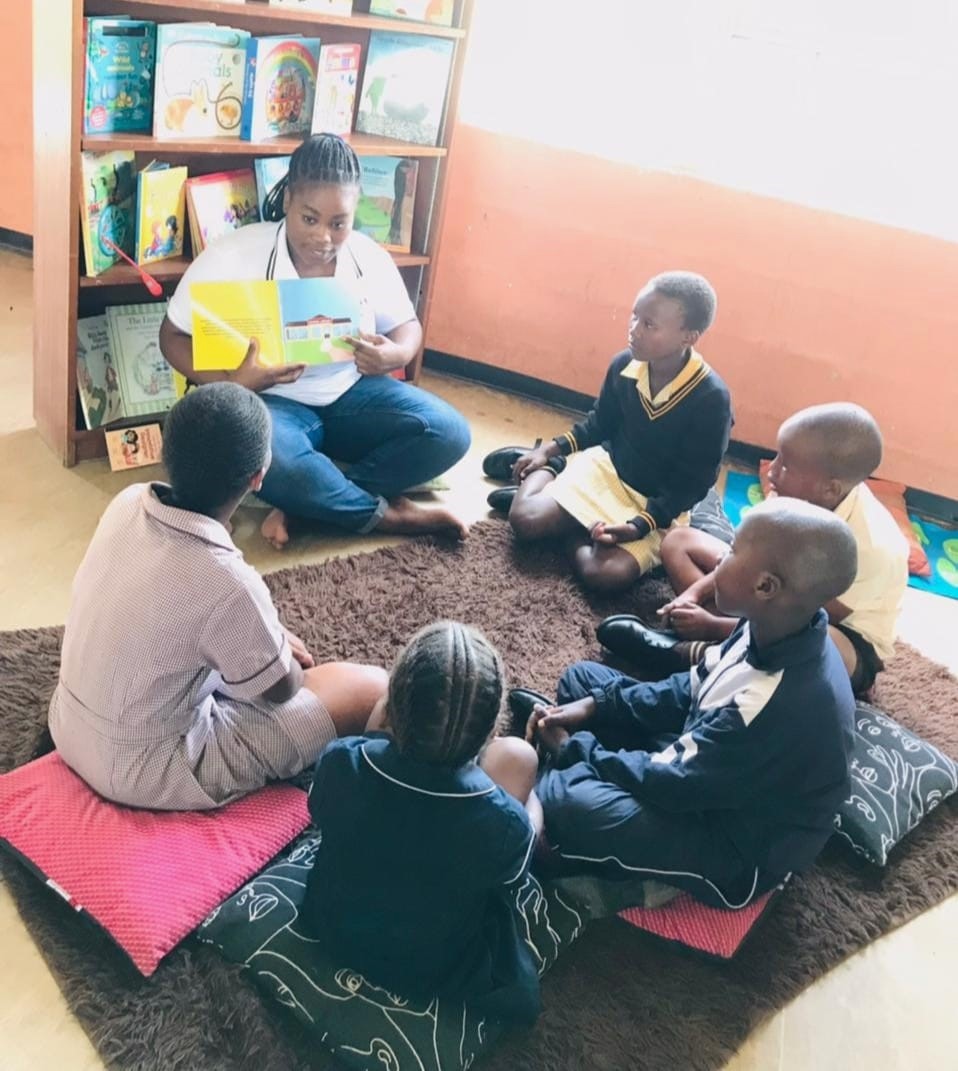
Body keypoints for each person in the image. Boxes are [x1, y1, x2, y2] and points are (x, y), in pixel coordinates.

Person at [48, 383, 388, 810]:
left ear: (164, 452)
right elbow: (281, 690)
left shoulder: (127, 501)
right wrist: (277, 652)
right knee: (371, 687)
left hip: (68, 726)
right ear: (259, 477)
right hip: (148, 771)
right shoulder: (228, 581)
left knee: (226, 656)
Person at [511, 498, 858, 907]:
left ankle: (606, 858)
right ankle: (580, 761)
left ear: (766, 587)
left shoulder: (775, 705)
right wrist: (596, 707)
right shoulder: (770, 626)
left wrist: (575, 750)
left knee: (568, 802)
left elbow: (676, 783)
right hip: (707, 762)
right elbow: (690, 688)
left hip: (732, 842)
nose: (719, 560)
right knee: (583, 682)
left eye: (730, 552)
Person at [159, 133, 471, 550]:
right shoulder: (234, 255)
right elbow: (172, 336)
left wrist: (394, 354)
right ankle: (384, 515)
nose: (323, 237)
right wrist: (235, 383)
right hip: (273, 404)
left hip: (352, 395)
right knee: (266, 454)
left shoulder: (367, 256)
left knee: (449, 432)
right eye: (310, 219)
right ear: (288, 200)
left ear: (354, 213)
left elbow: (407, 327)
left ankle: (306, 502)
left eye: (338, 223)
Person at [302, 621, 543, 1023]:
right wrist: (529, 803)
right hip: (431, 966)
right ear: (488, 732)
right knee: (521, 758)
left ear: (393, 711)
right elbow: (515, 871)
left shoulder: (343, 759)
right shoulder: (504, 826)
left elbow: (320, 814)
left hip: (331, 927)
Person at [599, 403, 908, 695]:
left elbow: (800, 620)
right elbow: (743, 554)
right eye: (777, 457)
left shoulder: (873, 549)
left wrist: (714, 624)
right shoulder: (789, 496)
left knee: (821, 647)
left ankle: (698, 652)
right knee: (678, 542)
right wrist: (693, 594)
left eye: (785, 466)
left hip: (831, 632)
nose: (771, 473)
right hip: (768, 589)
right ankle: (726, 643)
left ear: (830, 488)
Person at [482, 271, 732, 592]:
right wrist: (551, 450)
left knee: (602, 576)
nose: (634, 330)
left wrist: (638, 525)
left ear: (689, 337)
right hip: (607, 472)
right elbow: (599, 425)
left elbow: (691, 486)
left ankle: (568, 520)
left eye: (649, 325)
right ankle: (552, 471)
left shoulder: (711, 399)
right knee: (526, 521)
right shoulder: (625, 365)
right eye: (634, 316)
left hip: (655, 506)